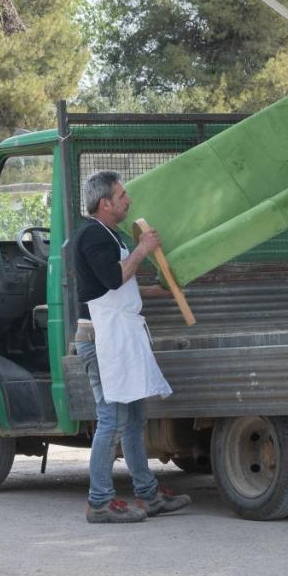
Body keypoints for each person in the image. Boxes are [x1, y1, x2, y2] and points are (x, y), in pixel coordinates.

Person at [74, 170, 192, 524]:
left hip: (118, 337)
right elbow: (112, 279)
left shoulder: (110, 234)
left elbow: (119, 288)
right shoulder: (93, 236)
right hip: (100, 340)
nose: (129, 200)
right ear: (105, 203)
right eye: (123, 195)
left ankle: (148, 494)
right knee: (112, 419)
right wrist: (143, 249)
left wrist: (158, 291)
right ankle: (99, 502)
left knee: (135, 417)